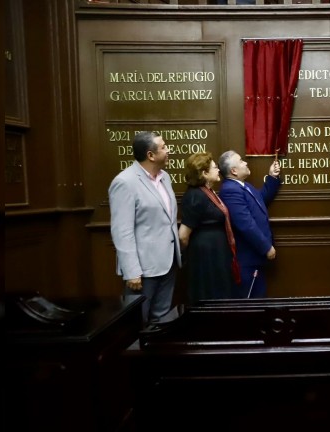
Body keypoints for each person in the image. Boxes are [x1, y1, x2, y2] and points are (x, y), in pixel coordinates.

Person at [109, 131, 181, 325]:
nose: (168, 151)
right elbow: (122, 230)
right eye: (164, 147)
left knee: (163, 318)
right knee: (136, 322)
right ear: (150, 155)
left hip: (168, 262)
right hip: (143, 269)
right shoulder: (125, 182)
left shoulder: (164, 177)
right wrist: (131, 270)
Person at [217, 150, 281, 298]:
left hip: (255, 259)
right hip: (248, 259)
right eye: (241, 161)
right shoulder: (230, 191)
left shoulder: (243, 186)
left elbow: (260, 200)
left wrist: (272, 177)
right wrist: (265, 247)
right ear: (233, 171)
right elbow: (245, 224)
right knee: (249, 305)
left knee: (258, 302)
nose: (245, 163)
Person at [178, 152, 240, 303]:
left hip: (216, 254)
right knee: (209, 294)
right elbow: (183, 236)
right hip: (205, 257)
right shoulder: (195, 196)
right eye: (214, 167)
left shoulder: (208, 192)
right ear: (204, 173)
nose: (218, 169)